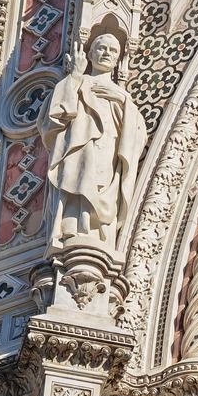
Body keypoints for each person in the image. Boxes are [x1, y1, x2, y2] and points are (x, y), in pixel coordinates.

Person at [40, 32, 146, 249]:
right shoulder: (78, 81)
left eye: (113, 50)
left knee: (99, 185)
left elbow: (138, 134)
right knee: (78, 179)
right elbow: (52, 119)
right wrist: (75, 76)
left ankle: (98, 234)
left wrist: (122, 101)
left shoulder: (121, 95)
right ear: (89, 53)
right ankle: (71, 231)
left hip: (107, 153)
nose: (107, 53)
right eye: (101, 48)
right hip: (80, 150)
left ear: (118, 59)